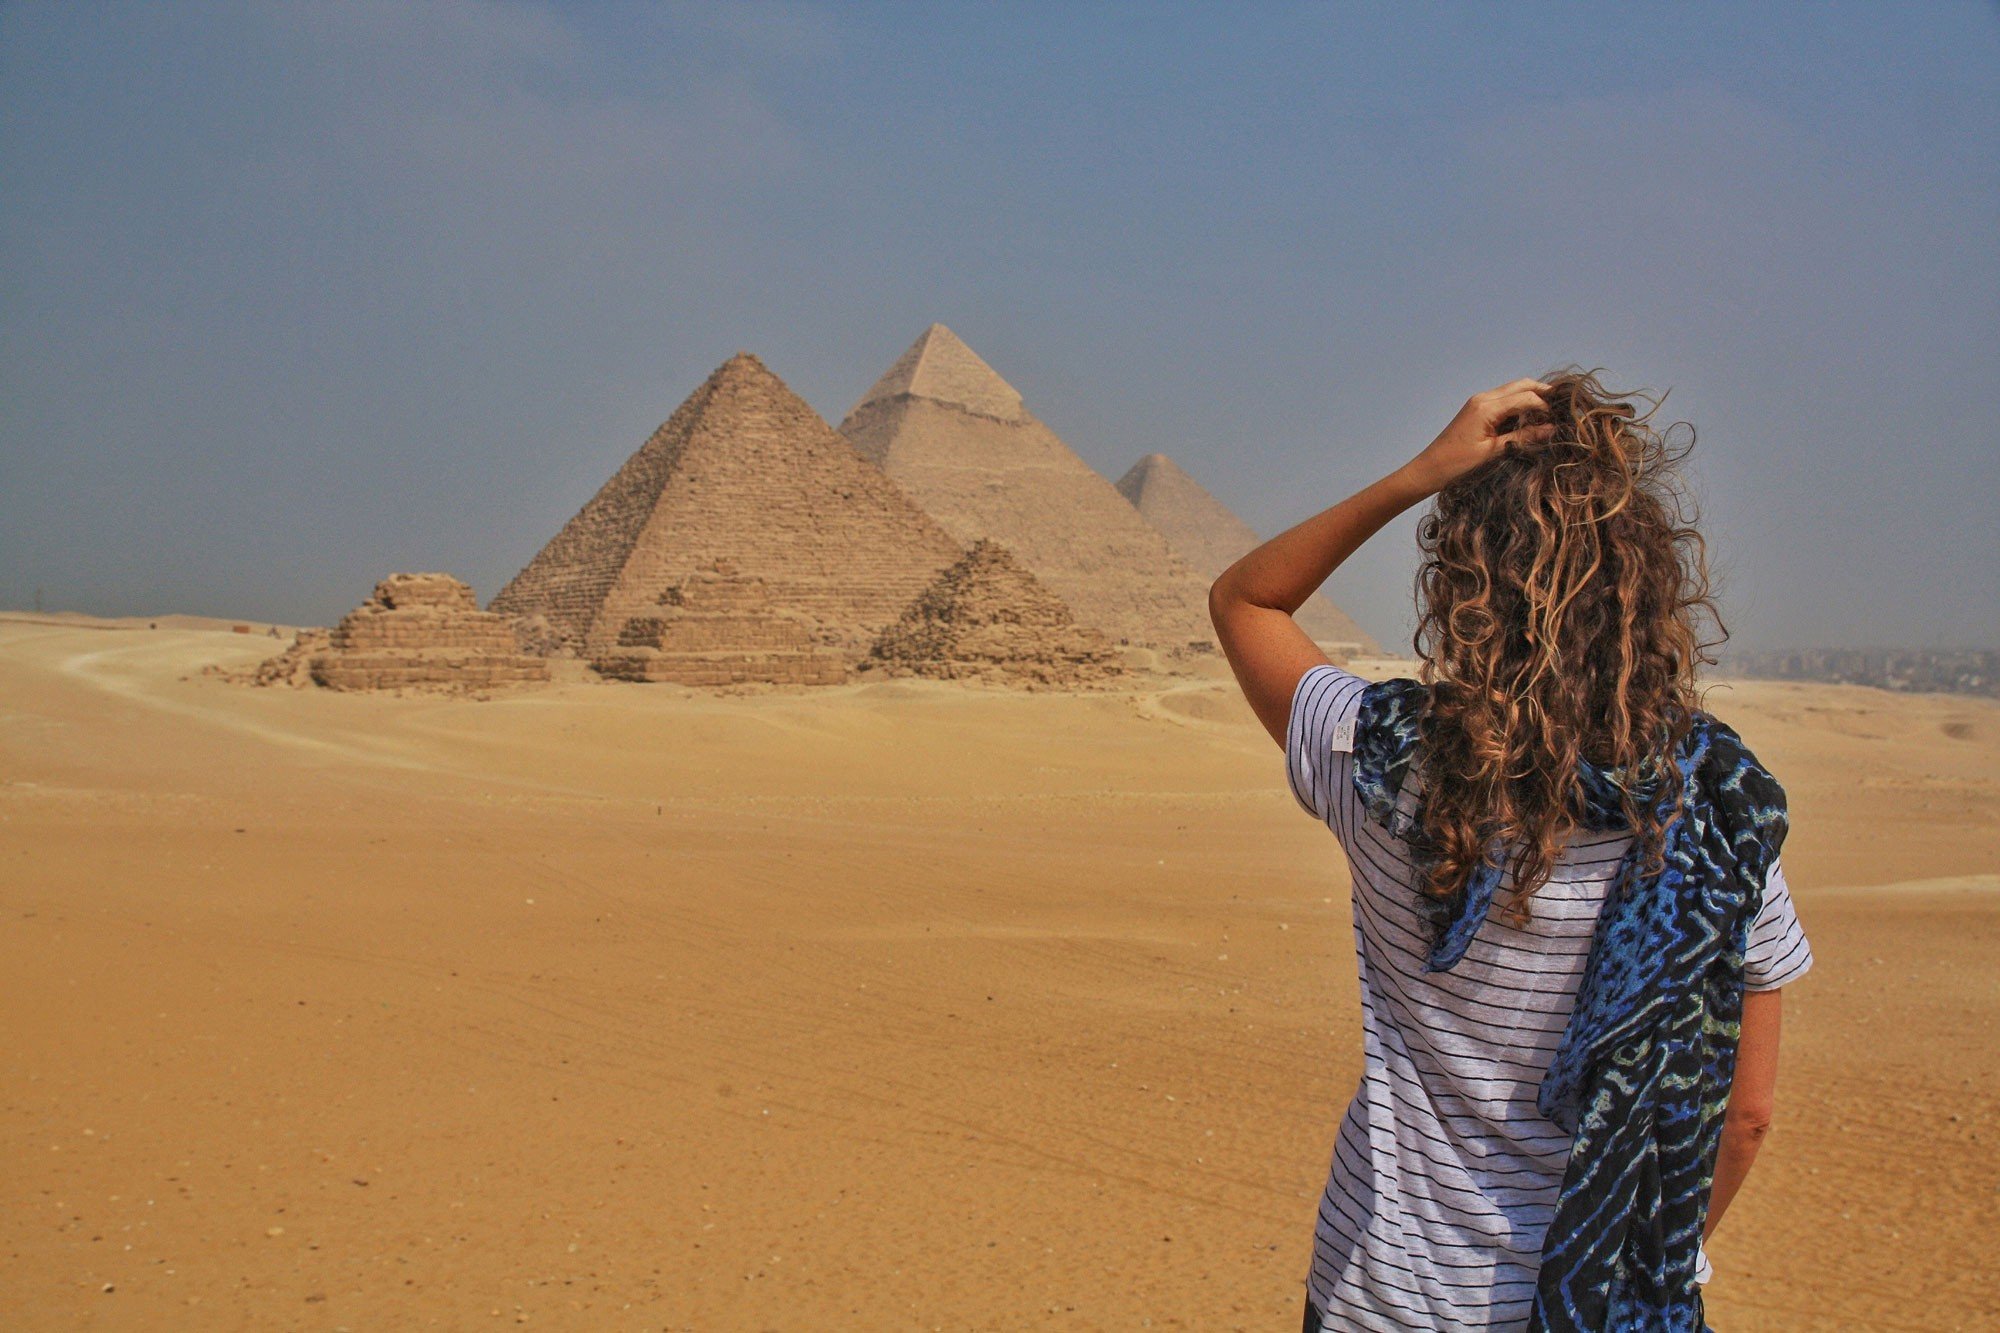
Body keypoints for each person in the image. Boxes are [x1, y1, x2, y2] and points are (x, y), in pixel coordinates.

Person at [1207, 373, 1812, 1332]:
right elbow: (1748, 1117)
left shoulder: (1384, 764)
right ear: (1649, 586)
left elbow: (1245, 600)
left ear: (1461, 586)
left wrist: (1420, 473)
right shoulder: (1722, 818)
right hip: (1590, 1304)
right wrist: (1659, 1261)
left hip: (1382, 1296)